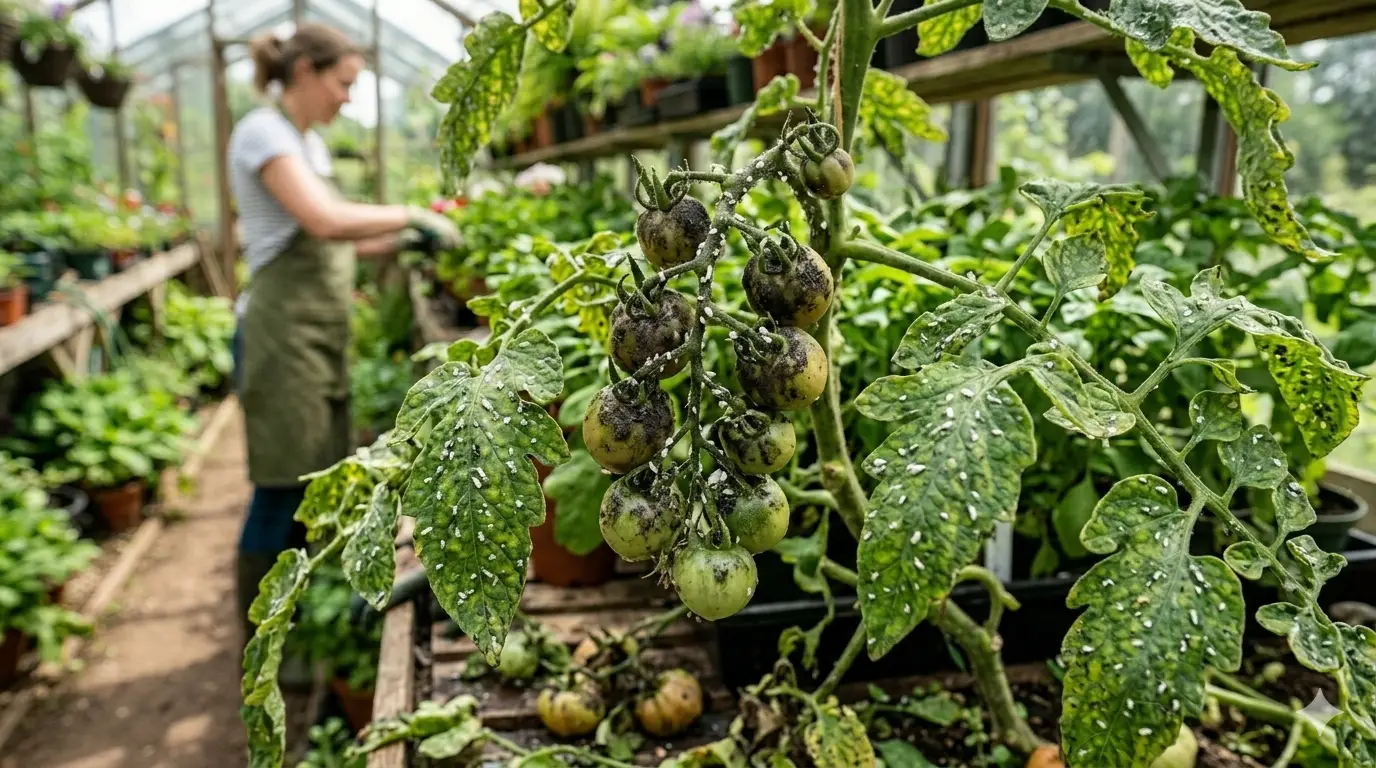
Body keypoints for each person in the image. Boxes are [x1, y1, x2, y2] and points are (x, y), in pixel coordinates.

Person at [229, 23, 460, 640]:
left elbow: (332, 248)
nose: (348, 99)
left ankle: (303, 626)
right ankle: (262, 638)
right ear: (304, 70)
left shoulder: (306, 143)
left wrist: (398, 242)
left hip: (313, 340)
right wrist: (415, 213)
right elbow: (325, 221)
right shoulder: (264, 133)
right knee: (281, 492)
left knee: (316, 481)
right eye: (343, 83)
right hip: (281, 342)